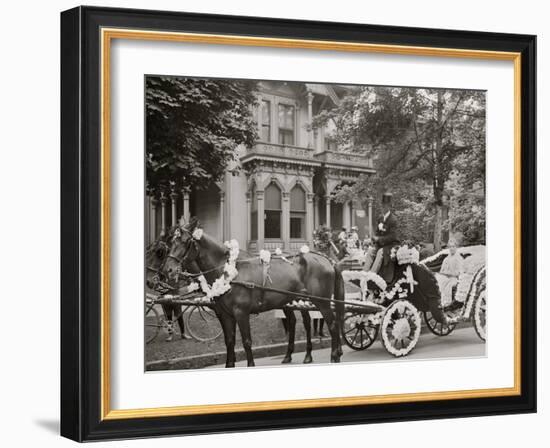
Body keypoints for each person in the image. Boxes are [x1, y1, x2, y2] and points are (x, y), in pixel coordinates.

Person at [363, 192, 399, 275]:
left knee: (380, 252)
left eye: (385, 205)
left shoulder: (393, 219)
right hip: (381, 245)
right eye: (382, 205)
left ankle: (372, 275)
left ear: (389, 206)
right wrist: (373, 239)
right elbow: (377, 232)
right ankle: (364, 273)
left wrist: (379, 239)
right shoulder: (380, 218)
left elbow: (393, 236)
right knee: (370, 250)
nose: (383, 207)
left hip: (391, 245)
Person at [436, 239, 465, 308]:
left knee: (447, 283)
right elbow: (442, 271)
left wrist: (449, 273)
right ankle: (437, 301)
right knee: (437, 280)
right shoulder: (446, 259)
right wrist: (444, 273)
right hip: (445, 277)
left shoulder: (459, 258)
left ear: (456, 247)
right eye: (450, 247)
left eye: (453, 246)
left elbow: (460, 272)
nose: (451, 248)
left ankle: (446, 303)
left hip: (455, 279)